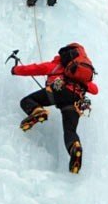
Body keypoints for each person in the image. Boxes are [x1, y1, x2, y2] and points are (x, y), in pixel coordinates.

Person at [11, 43, 98, 173]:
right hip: (75, 102)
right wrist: (81, 84)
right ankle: (75, 147)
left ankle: (38, 111)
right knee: (70, 132)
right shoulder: (81, 76)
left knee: (27, 101)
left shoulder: (57, 66)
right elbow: (95, 90)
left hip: (57, 92)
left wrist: (15, 70)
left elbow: (34, 69)